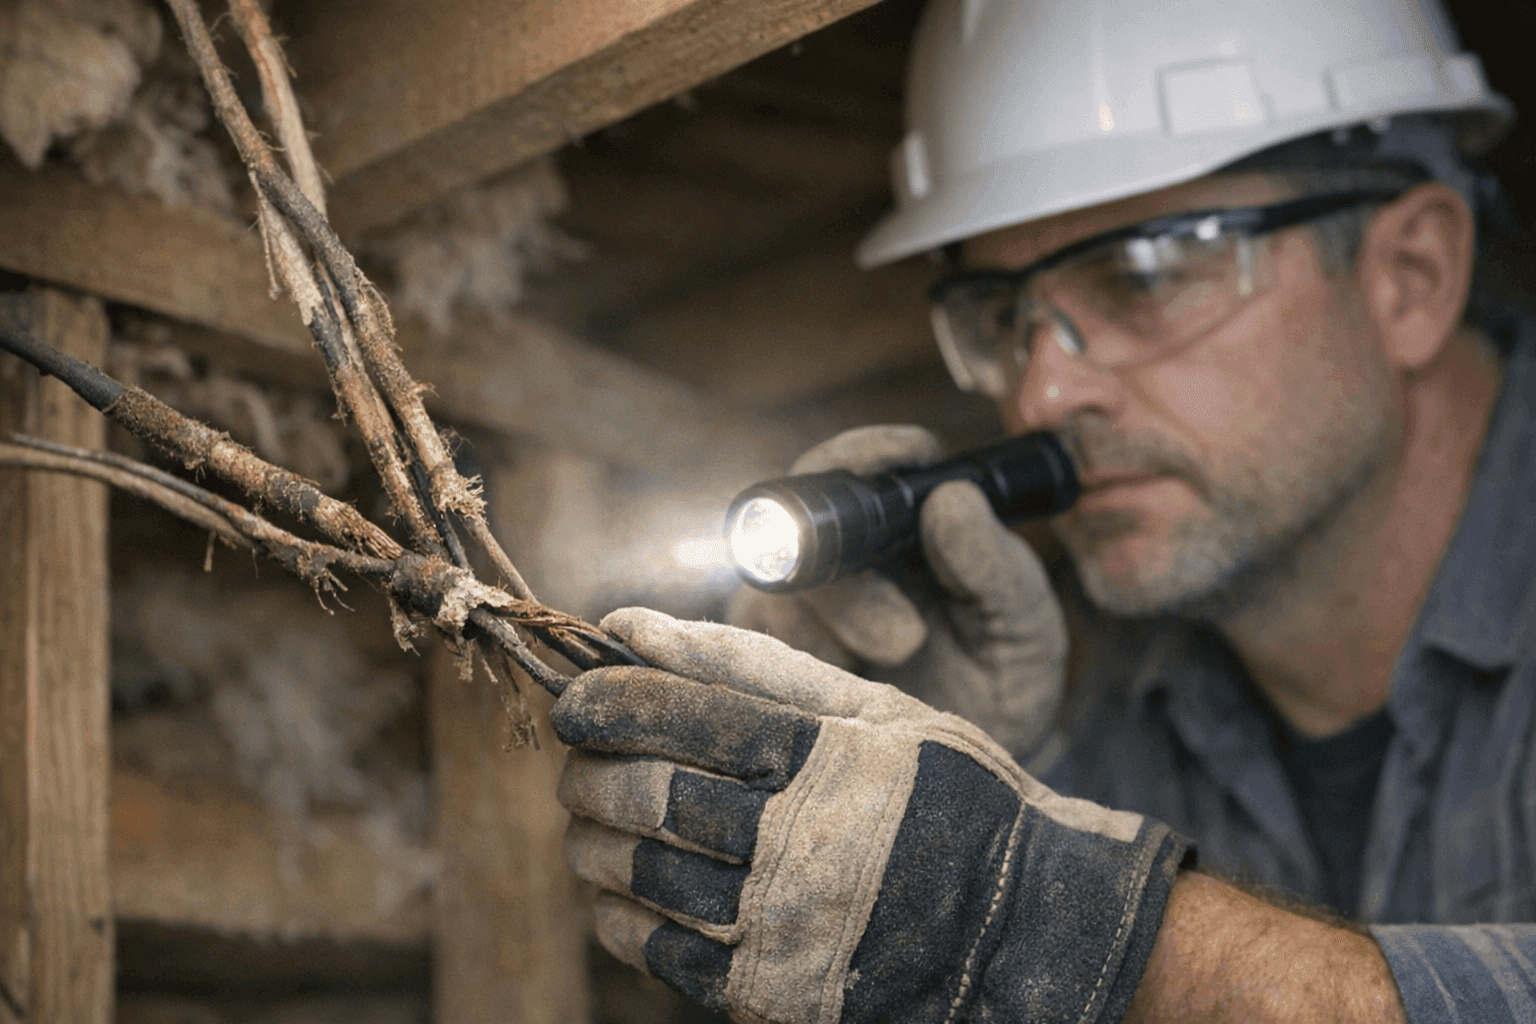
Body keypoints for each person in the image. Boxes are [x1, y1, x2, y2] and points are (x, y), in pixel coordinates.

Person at [550, 1, 1536, 1020]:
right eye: (1003, 315)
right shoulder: (1128, 691)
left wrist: (1050, 924)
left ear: (1410, 279)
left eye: (1141, 275)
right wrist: (1003, 764)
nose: (1040, 396)